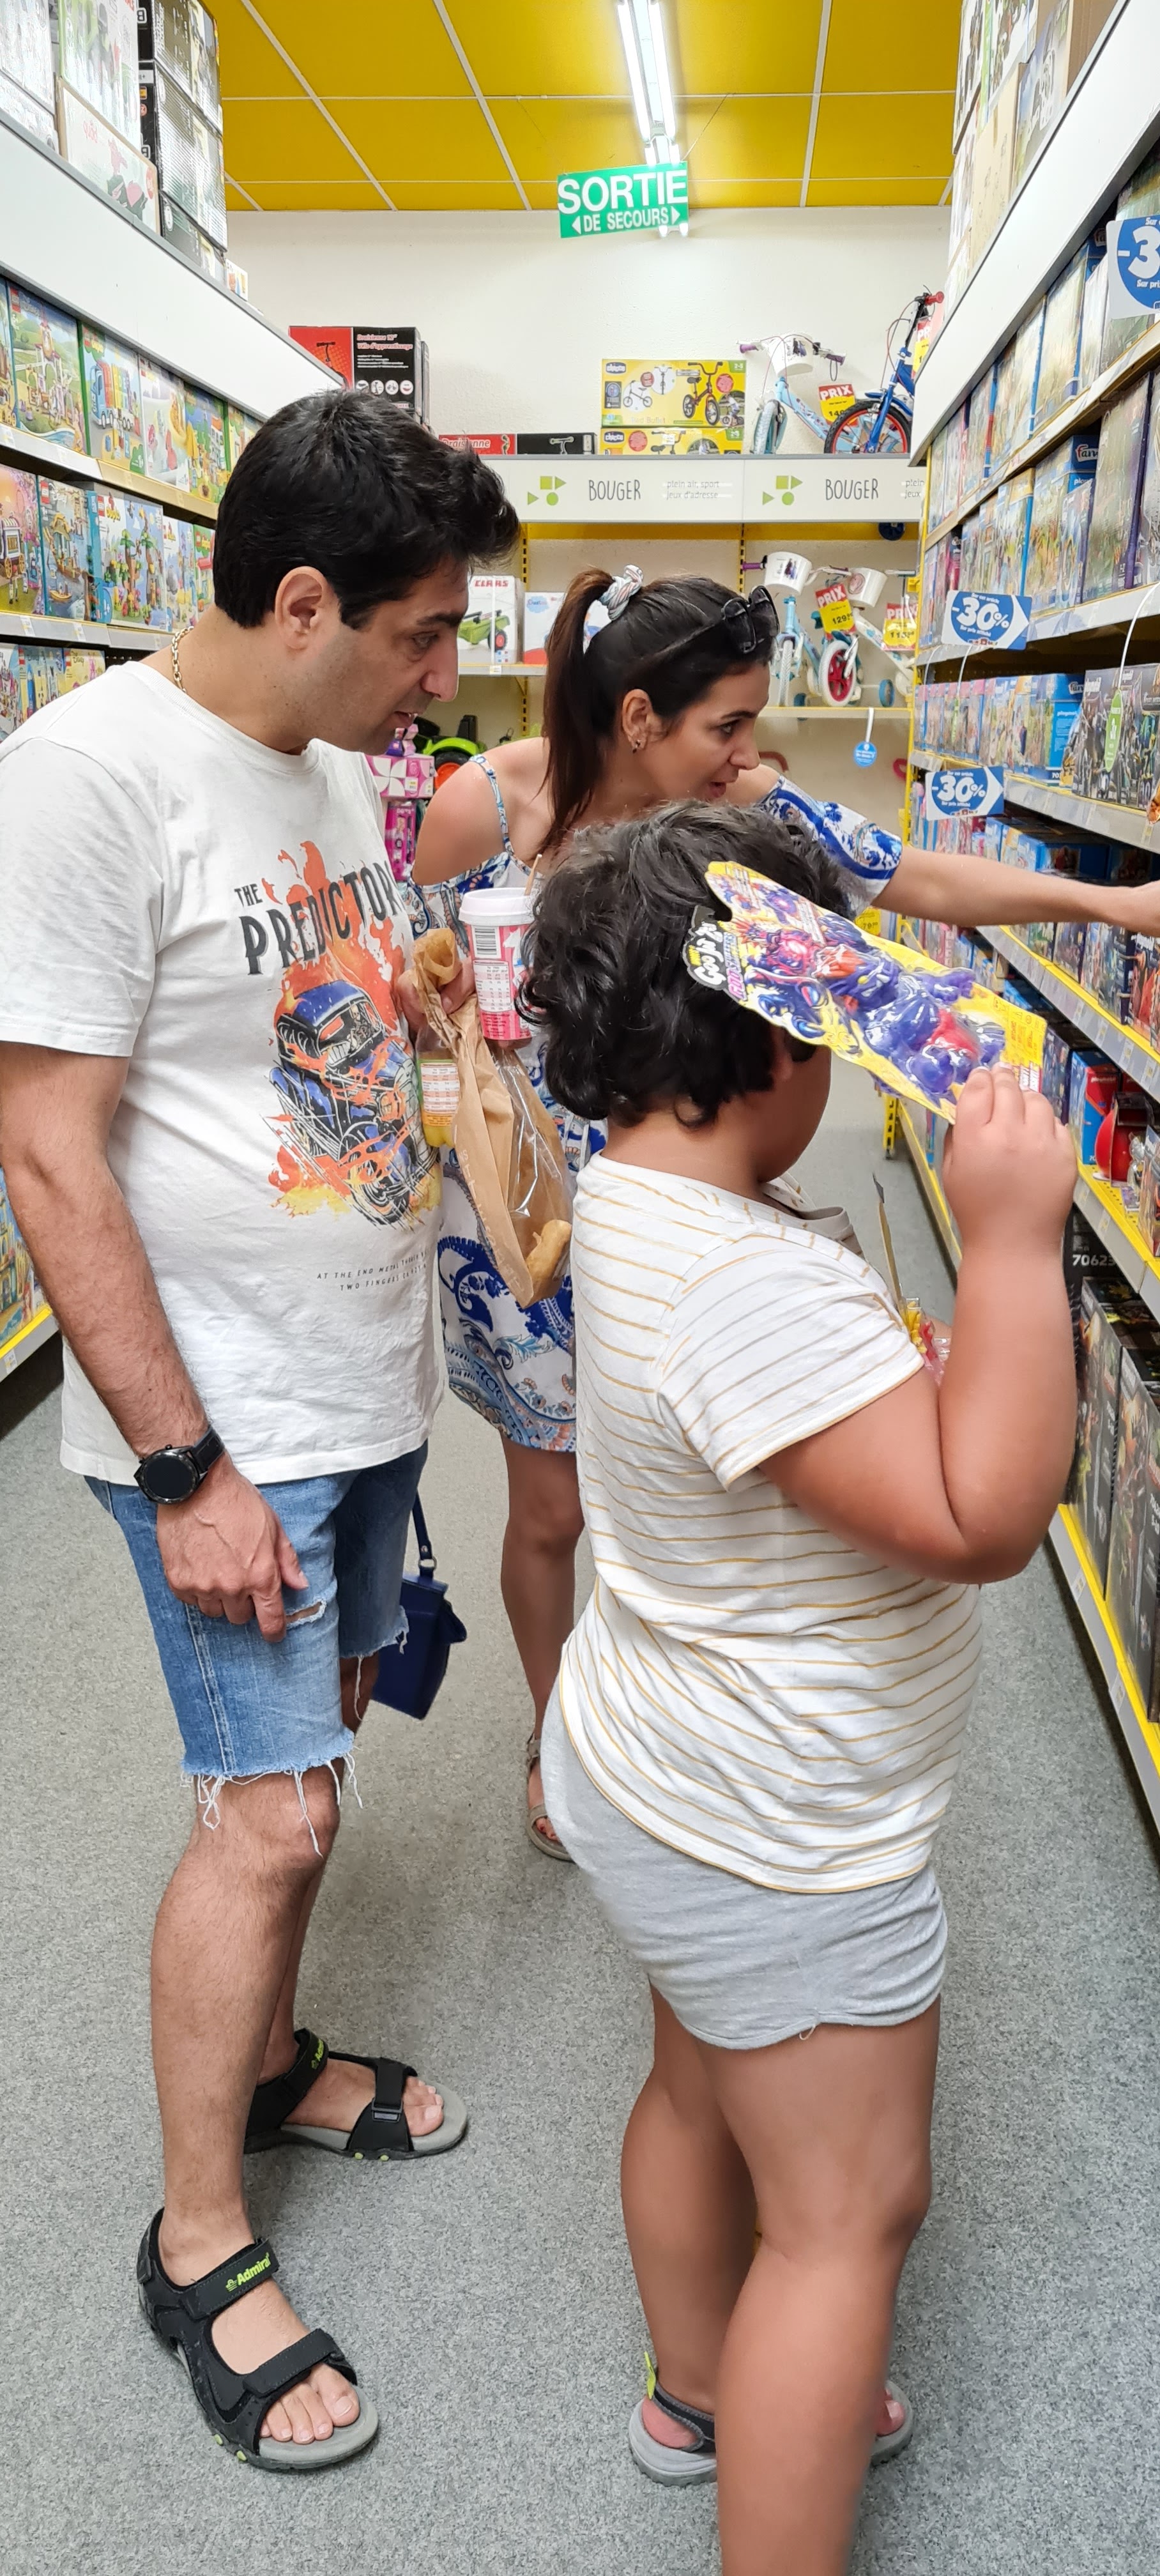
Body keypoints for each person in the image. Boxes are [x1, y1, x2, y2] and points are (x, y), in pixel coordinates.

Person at [0, 391, 518, 2471]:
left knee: (319, 1753)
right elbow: (46, 1151)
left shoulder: (321, 765)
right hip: (228, 1424)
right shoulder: (84, 781)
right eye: (419, 631)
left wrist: (410, 994)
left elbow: (295, 1004)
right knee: (272, 1815)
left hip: (356, 1378)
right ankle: (198, 2238)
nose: (443, 675)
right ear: (300, 600)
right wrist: (185, 1465)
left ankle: (280, 2056)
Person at [526, 800, 1077, 2576]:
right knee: (844, 2219)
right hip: (778, 1830)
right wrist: (1011, 1245)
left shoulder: (635, 1195)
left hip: (650, 1765)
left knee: (700, 2091)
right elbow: (980, 1518)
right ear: (773, 1042)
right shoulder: (749, 1285)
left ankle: (696, 2391)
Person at [411, 563, 1159, 1857]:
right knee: (553, 1509)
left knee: (680, 1484)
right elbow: (416, 986)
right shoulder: (484, 803)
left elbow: (914, 881)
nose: (748, 753)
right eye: (727, 724)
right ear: (637, 718)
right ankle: (556, 1731)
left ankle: (677, 1721)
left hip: (683, 1202)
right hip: (522, 1220)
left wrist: (1112, 903)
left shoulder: (748, 813)